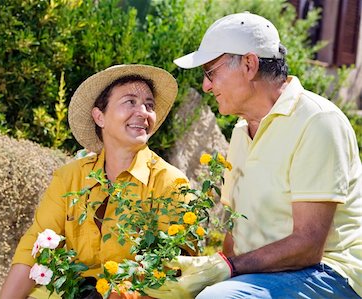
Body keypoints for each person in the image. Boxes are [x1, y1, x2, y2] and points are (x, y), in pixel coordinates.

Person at [145, 12, 362, 299]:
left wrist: (225, 269)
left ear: (249, 64)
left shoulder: (318, 121)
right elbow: (236, 234)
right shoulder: (240, 132)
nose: (206, 85)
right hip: (262, 274)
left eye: (211, 71)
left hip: (329, 273)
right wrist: (210, 273)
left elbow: (309, 245)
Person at [0, 64, 188, 299]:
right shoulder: (69, 178)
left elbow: (178, 272)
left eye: (149, 105)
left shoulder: (170, 183)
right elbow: (33, 248)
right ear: (99, 116)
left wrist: (116, 294)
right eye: (130, 101)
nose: (143, 112)